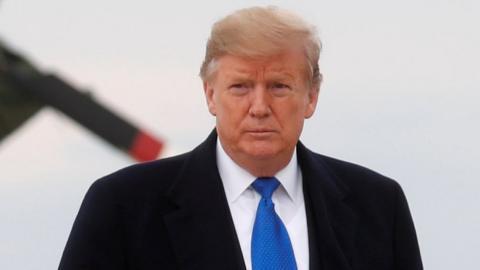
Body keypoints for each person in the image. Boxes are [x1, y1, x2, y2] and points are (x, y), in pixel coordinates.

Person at [59, 6, 423, 270]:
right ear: (210, 95)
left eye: (279, 86)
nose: (260, 107)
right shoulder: (124, 207)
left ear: (311, 96)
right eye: (240, 87)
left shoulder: (378, 206)